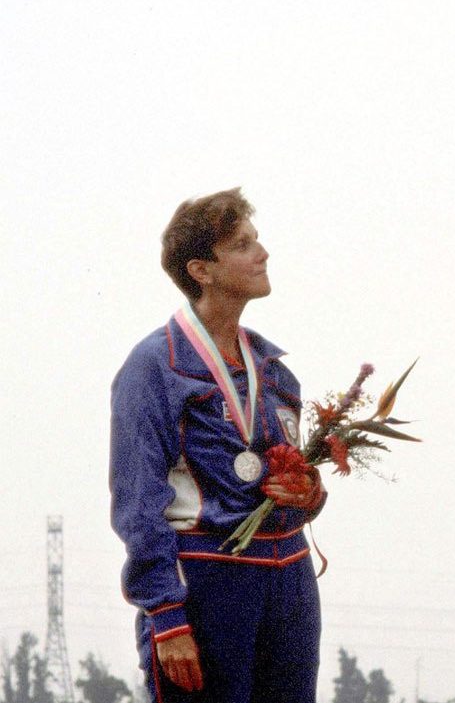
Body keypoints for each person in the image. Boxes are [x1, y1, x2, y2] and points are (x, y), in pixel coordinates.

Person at [110, 189, 326, 702]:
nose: (263, 252)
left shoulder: (275, 371)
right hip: (207, 579)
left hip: (289, 582)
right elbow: (138, 500)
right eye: (242, 244)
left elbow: (291, 486)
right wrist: (165, 613)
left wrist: (308, 492)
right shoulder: (155, 368)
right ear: (201, 270)